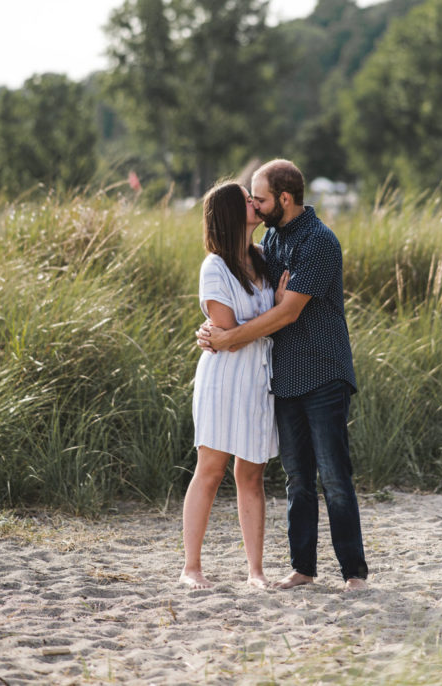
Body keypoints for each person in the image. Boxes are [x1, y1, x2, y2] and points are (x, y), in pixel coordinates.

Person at [199, 159, 368, 591]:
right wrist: (212, 329)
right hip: (284, 377)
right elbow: (243, 292)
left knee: (333, 475)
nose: (254, 203)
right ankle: (303, 570)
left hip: (324, 371)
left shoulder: (319, 242)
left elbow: (288, 311)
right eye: (251, 199)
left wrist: (230, 337)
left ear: (285, 199)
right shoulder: (269, 241)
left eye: (260, 197)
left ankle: (354, 574)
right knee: (297, 479)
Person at [179, 181, 279, 590]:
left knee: (251, 474)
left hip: (258, 377)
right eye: (246, 201)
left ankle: (255, 571)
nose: (255, 204)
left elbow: (244, 331)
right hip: (223, 378)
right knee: (211, 468)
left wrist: (262, 324)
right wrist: (271, 321)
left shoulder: (264, 257)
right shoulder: (215, 267)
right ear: (228, 213)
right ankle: (191, 567)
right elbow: (225, 330)